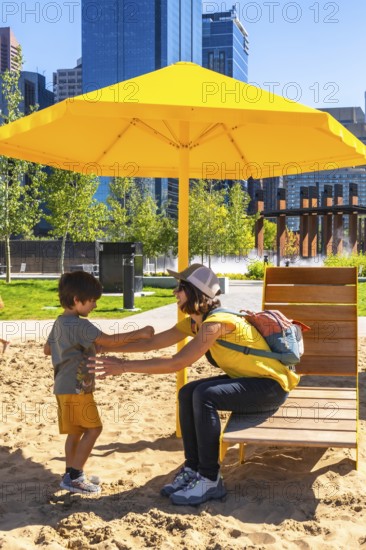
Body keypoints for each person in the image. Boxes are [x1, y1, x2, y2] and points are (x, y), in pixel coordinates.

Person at [88, 264, 300, 506]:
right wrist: (106, 348)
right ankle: (193, 469)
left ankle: (210, 479)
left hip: (270, 387)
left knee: (204, 395)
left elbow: (177, 363)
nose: (175, 292)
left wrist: (123, 366)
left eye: (181, 288)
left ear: (196, 293)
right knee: (188, 392)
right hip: (249, 381)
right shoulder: (195, 323)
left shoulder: (217, 323)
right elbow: (154, 342)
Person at [44, 270, 154, 495]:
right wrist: (140, 333)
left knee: (75, 432)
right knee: (94, 429)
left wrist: (85, 347)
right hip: (77, 389)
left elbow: (47, 349)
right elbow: (110, 340)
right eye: (92, 301)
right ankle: (75, 476)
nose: (94, 306)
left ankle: (69, 473)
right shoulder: (81, 325)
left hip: (62, 387)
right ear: (77, 300)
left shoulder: (60, 322)